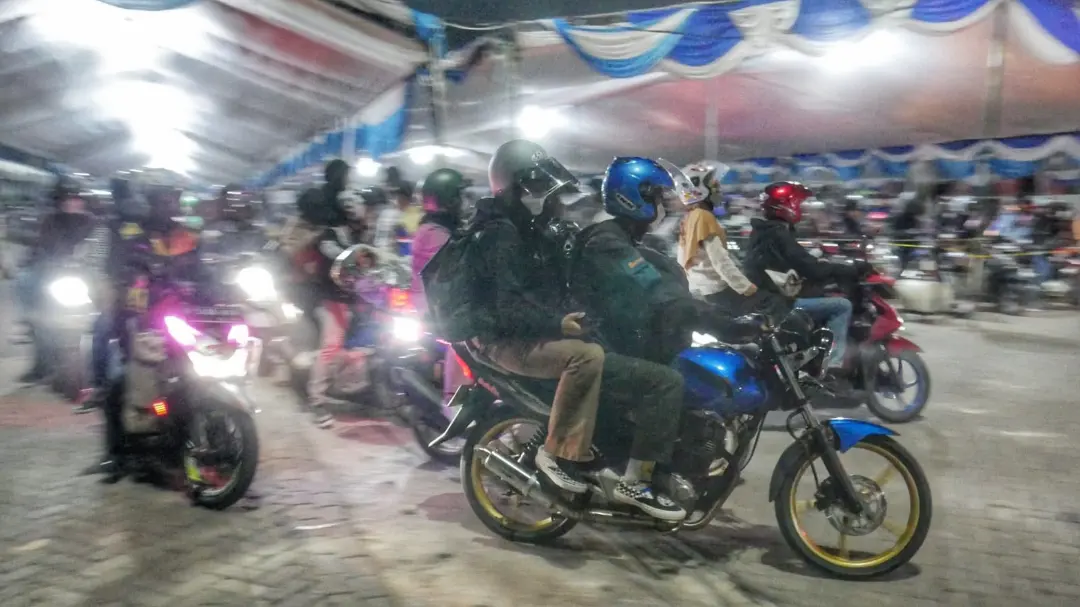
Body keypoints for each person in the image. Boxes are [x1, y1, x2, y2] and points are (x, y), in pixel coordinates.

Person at [471, 142, 686, 521]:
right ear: (515, 189)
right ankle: (560, 455)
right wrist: (557, 323)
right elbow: (507, 306)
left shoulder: (534, 231)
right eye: (540, 190)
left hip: (530, 331)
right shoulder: (499, 236)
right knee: (592, 358)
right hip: (503, 339)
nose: (552, 199)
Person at [96, 174, 209, 482]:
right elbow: (130, 278)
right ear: (151, 203)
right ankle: (116, 454)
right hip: (149, 323)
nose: (169, 206)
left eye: (173, 200)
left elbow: (205, 274)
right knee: (120, 383)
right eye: (163, 200)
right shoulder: (136, 238)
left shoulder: (187, 237)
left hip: (186, 321)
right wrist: (136, 296)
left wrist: (217, 293)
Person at [742, 182, 858, 372]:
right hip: (777, 303)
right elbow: (811, 268)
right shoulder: (779, 234)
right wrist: (848, 269)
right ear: (786, 205)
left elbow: (793, 261)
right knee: (842, 306)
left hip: (763, 298)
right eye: (798, 203)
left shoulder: (762, 231)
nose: (800, 209)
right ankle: (833, 365)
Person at [17, 176, 99, 383]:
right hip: (52, 275)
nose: (71, 202)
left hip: (83, 276)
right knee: (32, 300)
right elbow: (38, 246)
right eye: (65, 198)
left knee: (104, 319)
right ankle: (41, 364)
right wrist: (33, 260)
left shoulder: (93, 223)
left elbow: (100, 249)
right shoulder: (48, 221)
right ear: (58, 201)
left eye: (75, 198)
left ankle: (98, 370)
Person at [295, 159, 357, 428]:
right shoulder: (328, 229)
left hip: (346, 292)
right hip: (331, 293)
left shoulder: (346, 228)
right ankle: (317, 400)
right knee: (331, 344)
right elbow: (338, 256)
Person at [411, 168, 473, 402]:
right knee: (468, 334)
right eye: (461, 195)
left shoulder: (446, 226)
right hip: (436, 309)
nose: (465, 201)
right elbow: (461, 264)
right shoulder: (433, 232)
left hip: (443, 301)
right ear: (449, 200)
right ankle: (454, 398)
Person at [675, 161, 765, 317]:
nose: (719, 189)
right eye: (714, 185)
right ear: (699, 190)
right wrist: (746, 288)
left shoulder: (689, 217)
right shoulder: (704, 217)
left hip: (700, 289)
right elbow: (720, 262)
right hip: (718, 291)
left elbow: (683, 258)